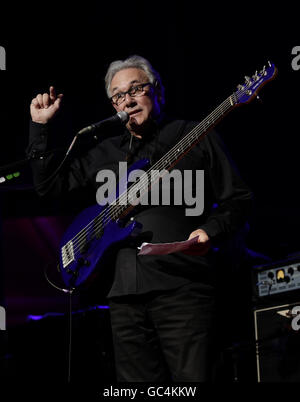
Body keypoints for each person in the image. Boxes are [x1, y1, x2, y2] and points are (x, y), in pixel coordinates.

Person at [27, 55, 253, 382]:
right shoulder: (103, 153)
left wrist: (210, 229)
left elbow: (240, 199)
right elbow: (48, 187)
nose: (128, 99)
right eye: (118, 95)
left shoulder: (193, 134)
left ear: (157, 92)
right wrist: (40, 126)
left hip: (183, 290)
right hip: (122, 300)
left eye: (136, 89)